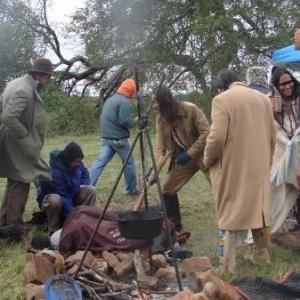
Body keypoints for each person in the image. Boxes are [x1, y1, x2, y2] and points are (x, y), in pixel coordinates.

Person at [204, 69, 276, 273]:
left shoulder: (221, 100)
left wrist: (208, 159)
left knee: (229, 212)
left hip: (232, 166)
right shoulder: (263, 99)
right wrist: (267, 162)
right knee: (259, 212)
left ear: (222, 85)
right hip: (259, 166)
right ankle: (262, 257)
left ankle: (227, 264)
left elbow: (216, 137)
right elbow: (272, 135)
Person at [149, 85, 210, 233]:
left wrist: (190, 153)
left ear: (164, 102)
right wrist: (153, 171)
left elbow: (207, 132)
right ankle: (175, 226)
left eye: (156, 102)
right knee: (168, 189)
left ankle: (234, 223)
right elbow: (160, 148)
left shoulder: (191, 109)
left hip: (204, 153)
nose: (153, 106)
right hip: (183, 158)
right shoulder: (161, 119)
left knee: (222, 186)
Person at [0, 58, 53, 226]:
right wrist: (25, 136)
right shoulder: (25, 89)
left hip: (11, 139)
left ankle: (4, 223)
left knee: (14, 182)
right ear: (42, 75)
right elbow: (9, 116)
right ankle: (13, 228)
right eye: (49, 77)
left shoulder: (16, 83)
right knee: (22, 183)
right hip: (18, 142)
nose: (50, 80)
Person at [89, 78, 139, 196]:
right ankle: (131, 190)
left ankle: (88, 186)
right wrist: (136, 121)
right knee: (129, 163)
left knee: (100, 161)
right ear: (130, 91)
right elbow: (124, 121)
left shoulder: (111, 99)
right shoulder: (124, 102)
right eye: (133, 92)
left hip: (106, 138)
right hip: (119, 139)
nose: (133, 95)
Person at [37, 142, 96, 234]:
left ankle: (85, 221)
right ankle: (54, 230)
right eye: (75, 162)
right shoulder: (55, 172)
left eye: (79, 161)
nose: (78, 164)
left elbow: (84, 173)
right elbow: (64, 198)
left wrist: (84, 184)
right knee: (54, 200)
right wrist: (74, 218)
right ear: (68, 160)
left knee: (90, 190)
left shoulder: (77, 162)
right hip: (53, 201)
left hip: (71, 195)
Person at [269, 64, 300, 233]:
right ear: (276, 86)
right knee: (280, 188)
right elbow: (274, 129)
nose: (288, 86)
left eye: (290, 82)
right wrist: (288, 142)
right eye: (283, 84)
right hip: (283, 152)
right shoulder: (271, 103)